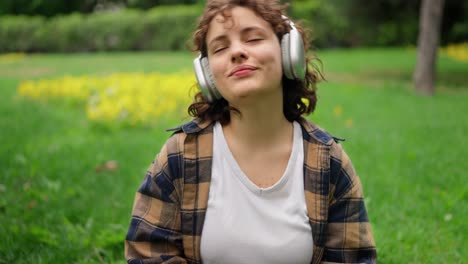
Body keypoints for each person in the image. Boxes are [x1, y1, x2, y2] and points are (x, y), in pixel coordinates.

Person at [125, 0, 377, 263]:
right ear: (208, 75)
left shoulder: (329, 161)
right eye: (220, 47)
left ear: (289, 52)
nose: (236, 52)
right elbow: (147, 254)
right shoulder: (180, 155)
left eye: (253, 39)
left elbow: (352, 258)